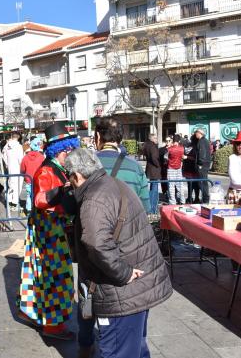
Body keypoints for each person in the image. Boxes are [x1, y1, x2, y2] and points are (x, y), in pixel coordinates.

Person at [65, 148, 172, 358]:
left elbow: (97, 244)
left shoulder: (95, 199)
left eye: (70, 179)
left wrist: (124, 273)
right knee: (136, 348)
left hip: (122, 294)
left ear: (76, 176)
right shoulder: (112, 184)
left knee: (117, 351)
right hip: (138, 288)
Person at [78, 117, 150, 357]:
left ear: (97, 138)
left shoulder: (88, 165)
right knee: (129, 301)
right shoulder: (135, 167)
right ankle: (136, 342)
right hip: (130, 247)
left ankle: (86, 343)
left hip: (93, 245)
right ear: (120, 138)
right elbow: (147, 207)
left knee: (88, 293)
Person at [17, 122, 79, 340]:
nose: (71, 153)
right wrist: (65, 190)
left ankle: (33, 313)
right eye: (68, 150)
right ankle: (53, 327)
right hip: (50, 233)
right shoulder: (46, 170)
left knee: (43, 277)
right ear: (59, 151)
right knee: (55, 278)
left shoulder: (59, 168)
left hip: (54, 231)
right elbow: (40, 199)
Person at [94, 117, 149, 210]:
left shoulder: (86, 164)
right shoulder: (135, 167)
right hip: (128, 223)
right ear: (120, 138)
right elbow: (145, 207)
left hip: (96, 222)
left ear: (98, 136)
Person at [20, 137, 45, 212]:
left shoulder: (25, 157)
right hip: (38, 180)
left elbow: (22, 169)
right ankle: (36, 208)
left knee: (29, 195)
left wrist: (24, 175)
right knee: (37, 194)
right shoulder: (42, 157)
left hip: (29, 180)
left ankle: (29, 209)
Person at [2, 132, 24, 211]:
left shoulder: (6, 146)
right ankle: (14, 204)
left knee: (11, 185)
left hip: (10, 168)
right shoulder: (18, 146)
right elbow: (20, 159)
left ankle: (9, 202)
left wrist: (7, 164)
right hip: (18, 168)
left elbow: (4, 156)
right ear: (18, 137)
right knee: (17, 186)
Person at [142, 133, 161, 211]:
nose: (157, 139)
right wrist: (158, 165)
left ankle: (151, 206)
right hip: (154, 169)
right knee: (154, 188)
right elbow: (154, 157)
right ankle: (153, 208)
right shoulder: (152, 146)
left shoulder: (146, 145)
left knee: (152, 187)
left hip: (149, 168)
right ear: (152, 139)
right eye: (155, 138)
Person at [167, 134, 186, 205]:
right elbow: (182, 157)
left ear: (172, 140)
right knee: (180, 185)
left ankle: (172, 201)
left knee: (171, 186)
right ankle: (182, 200)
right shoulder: (182, 148)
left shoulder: (169, 149)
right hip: (179, 168)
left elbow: (165, 158)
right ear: (179, 140)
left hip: (171, 168)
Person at [194, 129, 211, 204]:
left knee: (202, 183)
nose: (195, 134)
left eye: (196, 133)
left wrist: (200, 164)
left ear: (199, 133)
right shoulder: (206, 141)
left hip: (202, 165)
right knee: (204, 182)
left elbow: (202, 153)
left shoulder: (202, 141)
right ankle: (205, 199)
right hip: (206, 164)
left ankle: (205, 199)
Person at [183, 134, 200, 203]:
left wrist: (187, 157)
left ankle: (190, 198)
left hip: (189, 168)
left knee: (190, 184)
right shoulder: (197, 147)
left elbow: (194, 157)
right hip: (194, 168)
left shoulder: (189, 147)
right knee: (195, 184)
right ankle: (195, 198)